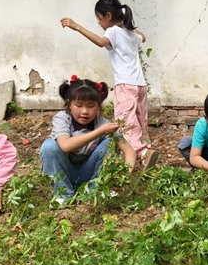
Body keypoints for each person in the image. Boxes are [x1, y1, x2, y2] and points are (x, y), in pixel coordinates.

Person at [60, 0, 159, 170]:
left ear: (108, 16)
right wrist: (129, 27)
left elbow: (100, 42)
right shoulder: (130, 33)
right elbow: (142, 37)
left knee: (125, 124)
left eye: (99, 19)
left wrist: (76, 27)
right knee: (140, 121)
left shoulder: (112, 31)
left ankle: (143, 154)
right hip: (140, 85)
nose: (99, 24)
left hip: (125, 85)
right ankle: (146, 153)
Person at [40, 76, 137, 204]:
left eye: (91, 106)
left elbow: (130, 151)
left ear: (98, 107)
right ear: (69, 104)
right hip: (64, 173)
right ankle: (63, 194)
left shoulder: (103, 124)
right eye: (78, 105)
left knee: (109, 144)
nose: (84, 111)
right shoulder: (62, 119)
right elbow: (65, 146)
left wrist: (124, 176)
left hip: (88, 175)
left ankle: (94, 192)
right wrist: (100, 132)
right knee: (49, 146)